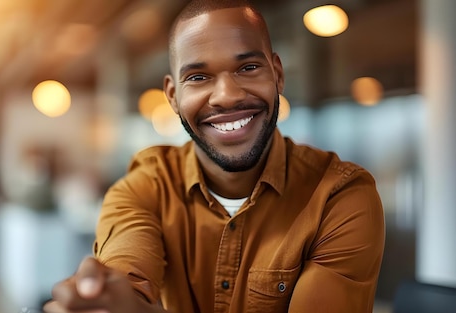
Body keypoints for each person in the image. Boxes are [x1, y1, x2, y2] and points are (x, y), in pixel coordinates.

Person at [43, 0, 385, 312]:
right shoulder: (143, 188)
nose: (226, 96)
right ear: (173, 96)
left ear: (278, 74)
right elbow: (126, 281)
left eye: (248, 68)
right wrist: (107, 301)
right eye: (198, 77)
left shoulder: (339, 198)